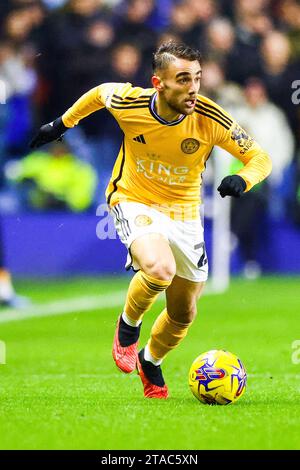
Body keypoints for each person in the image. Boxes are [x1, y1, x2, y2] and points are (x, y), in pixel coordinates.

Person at [29, 41, 272, 398]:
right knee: (159, 269)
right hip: (134, 199)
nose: (193, 88)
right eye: (183, 79)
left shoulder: (210, 117)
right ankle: (128, 326)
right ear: (159, 83)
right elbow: (99, 94)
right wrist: (60, 124)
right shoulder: (131, 103)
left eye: (198, 78)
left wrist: (243, 178)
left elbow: (260, 158)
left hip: (185, 213)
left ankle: (151, 359)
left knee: (184, 313)